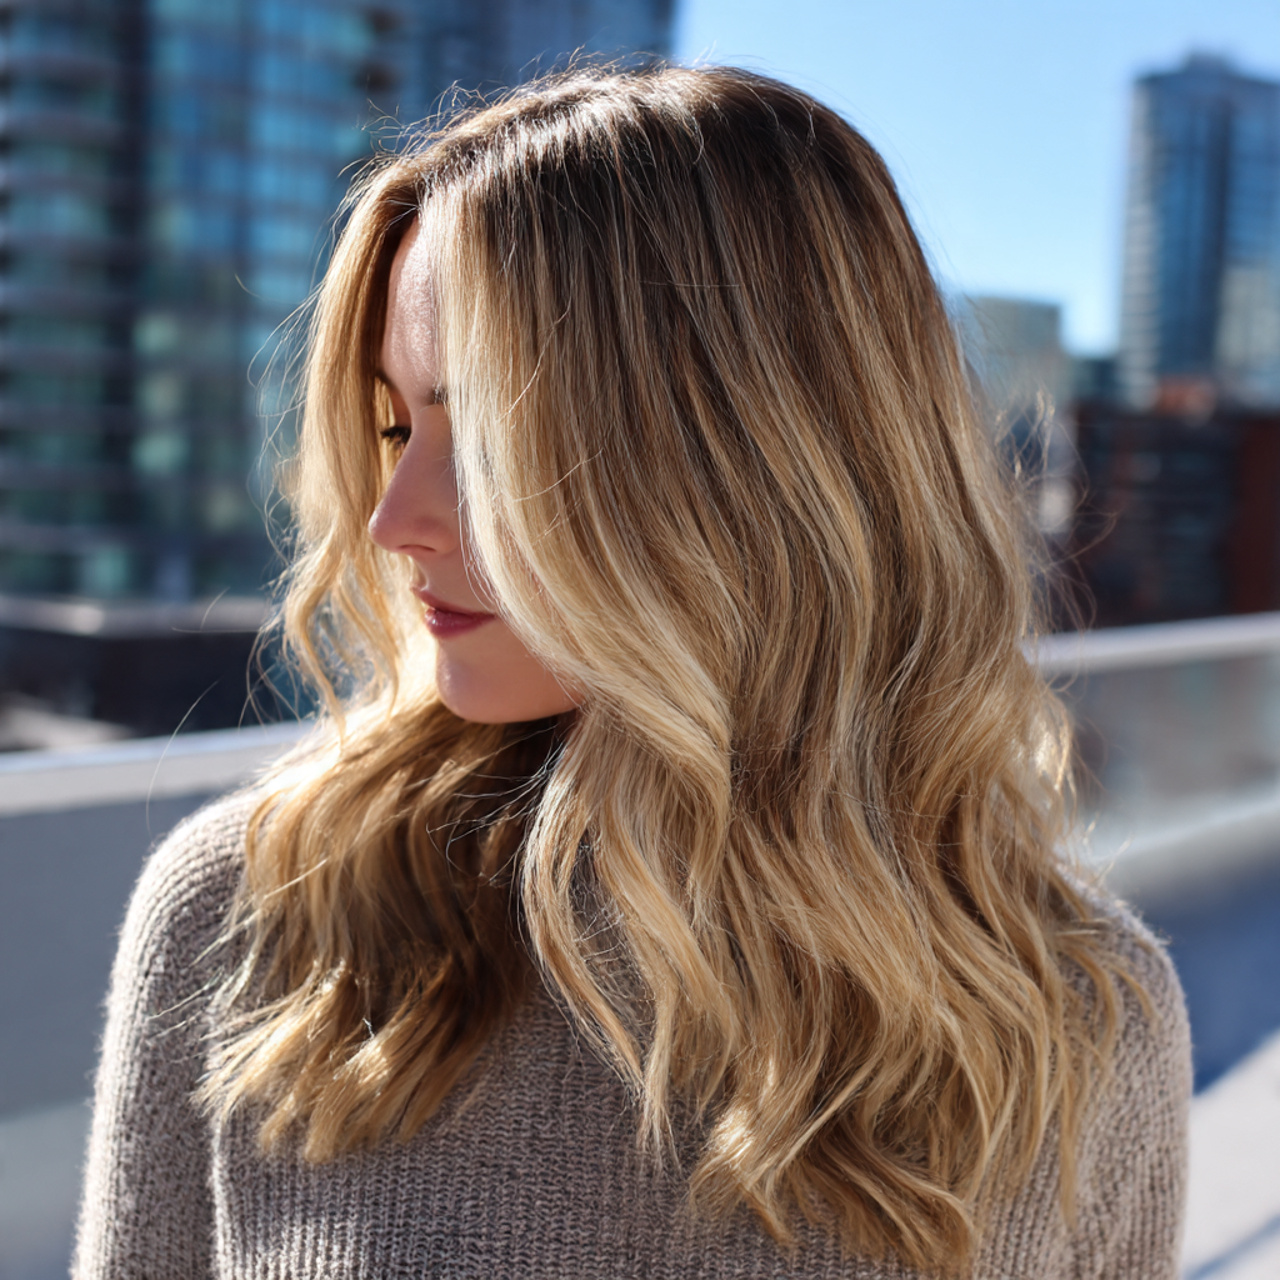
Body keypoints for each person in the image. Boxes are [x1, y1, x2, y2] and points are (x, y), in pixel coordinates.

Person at [74, 65, 1190, 1279]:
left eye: (489, 434)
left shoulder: (1076, 1022)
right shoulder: (260, 919)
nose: (394, 519)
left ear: (747, 461)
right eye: (397, 425)